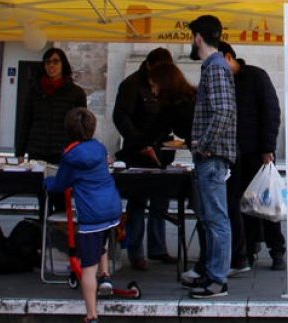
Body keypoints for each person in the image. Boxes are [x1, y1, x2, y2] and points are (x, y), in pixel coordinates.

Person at [45, 107, 121, 323]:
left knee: (88, 267)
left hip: (91, 213)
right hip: (111, 207)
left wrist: (46, 181)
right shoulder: (99, 148)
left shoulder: (70, 157)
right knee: (103, 239)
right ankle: (105, 276)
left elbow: (60, 184)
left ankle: (91, 314)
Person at [180, 14, 236, 299]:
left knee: (215, 219)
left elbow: (224, 110)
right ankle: (210, 272)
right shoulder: (215, 66)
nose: (191, 42)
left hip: (211, 156)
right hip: (211, 155)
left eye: (192, 36)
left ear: (199, 37)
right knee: (209, 217)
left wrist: (203, 144)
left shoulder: (214, 67)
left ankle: (217, 280)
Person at [219, 40, 286, 272]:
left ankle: (277, 250)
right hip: (233, 153)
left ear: (228, 57)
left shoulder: (257, 76)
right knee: (242, 204)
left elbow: (271, 111)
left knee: (267, 204)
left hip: (258, 153)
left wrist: (267, 148)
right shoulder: (222, 81)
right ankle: (247, 250)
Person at [113, 47, 178, 270]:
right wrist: (140, 142)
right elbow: (121, 117)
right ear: (149, 65)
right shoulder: (131, 85)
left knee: (161, 200)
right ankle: (135, 251)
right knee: (138, 202)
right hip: (138, 152)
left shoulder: (165, 84)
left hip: (162, 150)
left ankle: (158, 248)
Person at [16, 47, 87, 164]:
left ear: (63, 64)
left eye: (55, 61)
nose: (51, 65)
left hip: (64, 151)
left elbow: (81, 126)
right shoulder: (34, 91)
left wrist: (81, 150)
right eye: (48, 62)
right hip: (37, 150)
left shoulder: (76, 93)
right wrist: (20, 152)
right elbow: (26, 122)